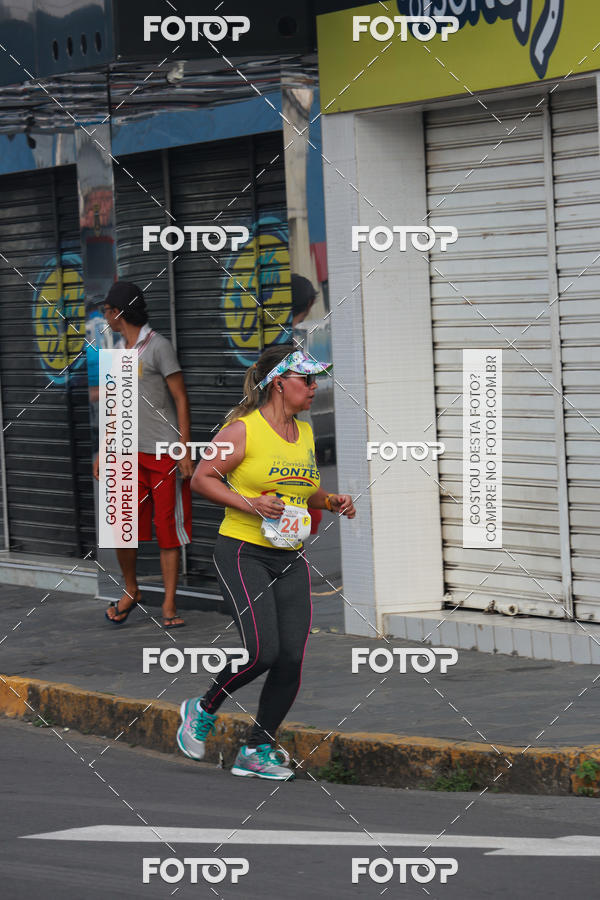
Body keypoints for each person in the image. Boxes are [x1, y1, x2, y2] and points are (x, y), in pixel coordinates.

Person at [177, 344, 356, 780]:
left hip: (289, 555)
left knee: (291, 658)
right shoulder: (243, 430)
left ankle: (256, 750)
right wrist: (251, 503)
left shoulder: (306, 433)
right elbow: (201, 478)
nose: (315, 388)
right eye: (306, 380)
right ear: (279, 383)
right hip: (243, 551)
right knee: (262, 651)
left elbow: (302, 488)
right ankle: (201, 708)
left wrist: (331, 500)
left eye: (316, 380)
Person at [93, 281, 194, 628]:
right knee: (123, 527)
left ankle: (168, 604)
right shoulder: (117, 350)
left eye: (107, 310)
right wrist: (102, 450)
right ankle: (131, 590)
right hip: (125, 452)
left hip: (163, 452)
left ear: (120, 312)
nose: (104, 316)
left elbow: (181, 397)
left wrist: (183, 447)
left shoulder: (159, 347)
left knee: (167, 526)